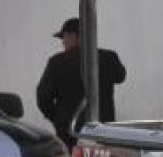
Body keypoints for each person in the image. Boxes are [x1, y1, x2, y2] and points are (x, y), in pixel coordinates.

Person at [36, 17, 126, 150]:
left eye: (64, 37)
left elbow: (43, 97)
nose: (63, 42)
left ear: (75, 36)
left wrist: (58, 118)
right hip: (103, 130)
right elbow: (121, 76)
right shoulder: (109, 57)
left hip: (70, 132)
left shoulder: (57, 62)